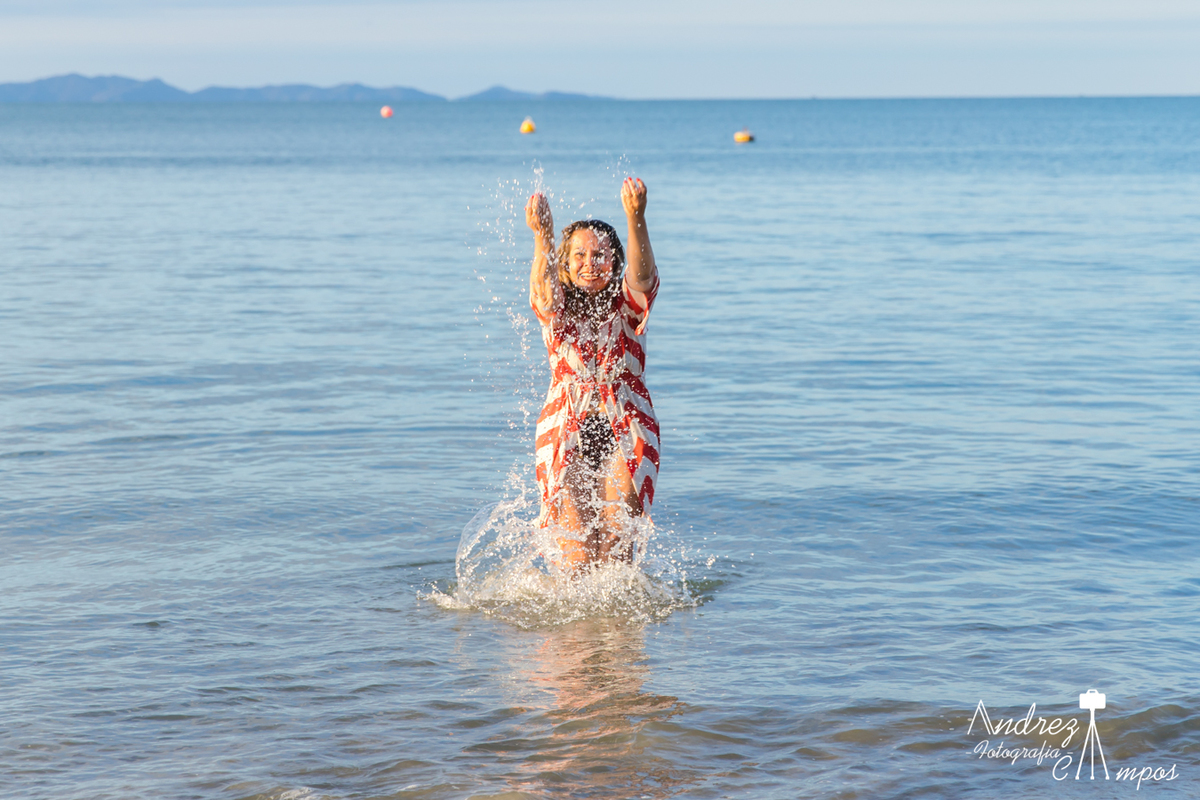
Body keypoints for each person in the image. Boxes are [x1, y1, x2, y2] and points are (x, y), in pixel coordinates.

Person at [524, 177, 660, 571]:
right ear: (564, 263)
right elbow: (545, 294)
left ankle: (619, 632)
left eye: (600, 255)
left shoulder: (627, 308)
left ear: (615, 262)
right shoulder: (558, 311)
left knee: (615, 551)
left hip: (627, 424)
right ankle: (577, 633)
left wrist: (636, 218)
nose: (590, 263)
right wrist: (542, 237)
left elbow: (643, 277)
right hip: (565, 425)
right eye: (579, 255)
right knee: (577, 557)